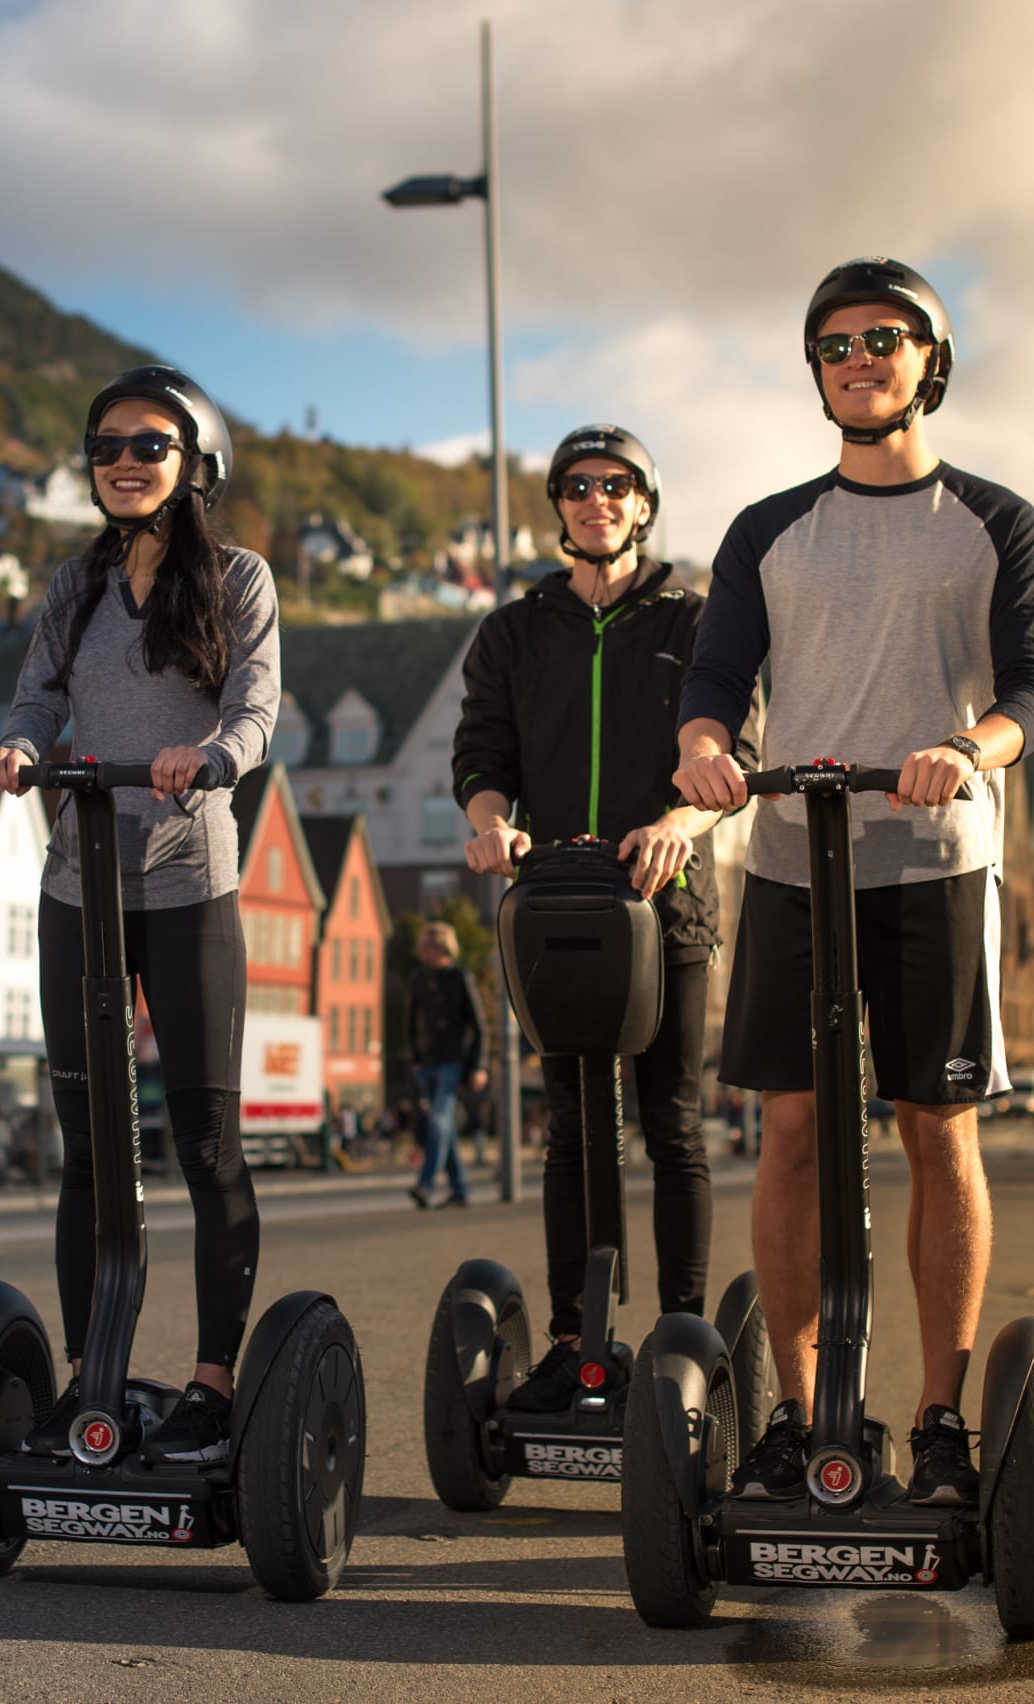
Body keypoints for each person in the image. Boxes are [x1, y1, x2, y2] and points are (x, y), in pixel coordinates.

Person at [674, 258, 1034, 1508]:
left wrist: (968, 748)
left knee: (934, 1126)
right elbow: (712, 687)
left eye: (886, 337)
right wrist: (703, 751)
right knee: (789, 1128)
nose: (859, 357)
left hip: (933, 859)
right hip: (794, 858)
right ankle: (798, 1420)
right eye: (836, 342)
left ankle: (940, 1420)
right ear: (817, 368)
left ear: (928, 363)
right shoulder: (766, 530)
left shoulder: (996, 523)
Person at [0, 365, 278, 1465]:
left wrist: (215, 758)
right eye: (106, 447)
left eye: (149, 446)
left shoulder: (239, 578)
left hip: (191, 880)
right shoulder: (73, 585)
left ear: (195, 462)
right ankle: (88, 1380)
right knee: (90, 1148)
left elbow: (253, 702)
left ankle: (209, 1384)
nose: (125, 463)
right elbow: (40, 695)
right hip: (80, 883)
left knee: (204, 1145)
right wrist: (17, 744)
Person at [452, 422, 762, 1412]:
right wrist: (492, 826)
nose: (598, 501)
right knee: (572, 1129)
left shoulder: (693, 620)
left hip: (663, 903)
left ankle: (682, 1341)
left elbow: (733, 759)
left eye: (617, 486)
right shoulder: (512, 629)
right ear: (558, 506)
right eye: (579, 487)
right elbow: (482, 754)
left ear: (645, 503)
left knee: (670, 1124)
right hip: (554, 903)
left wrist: (679, 821)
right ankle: (576, 1344)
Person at [406, 922, 484, 1210]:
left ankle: (425, 1186)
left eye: (428, 945)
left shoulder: (460, 978)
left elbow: (479, 1026)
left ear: (442, 946)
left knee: (438, 1121)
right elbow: (411, 1023)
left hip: (452, 1063)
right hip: (426, 1063)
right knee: (445, 1128)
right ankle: (460, 1189)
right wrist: (414, 1059)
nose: (423, 950)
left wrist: (478, 1066)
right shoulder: (418, 979)